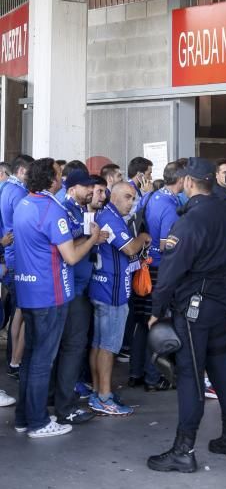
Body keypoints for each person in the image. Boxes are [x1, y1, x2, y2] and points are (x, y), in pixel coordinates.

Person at [147, 157, 226, 474]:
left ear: (188, 183)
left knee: (189, 373)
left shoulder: (190, 222)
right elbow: (224, 196)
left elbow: (171, 272)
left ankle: (183, 450)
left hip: (194, 305)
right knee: (219, 365)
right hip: (219, 299)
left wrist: (156, 310)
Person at [13, 158, 102, 438]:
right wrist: (93, 238)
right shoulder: (52, 209)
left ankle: (25, 417)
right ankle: (38, 422)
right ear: (51, 180)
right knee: (42, 361)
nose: (62, 179)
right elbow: (72, 256)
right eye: (59, 175)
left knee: (31, 359)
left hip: (28, 291)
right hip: (50, 294)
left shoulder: (24, 203)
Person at [88, 181, 152, 415]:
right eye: (127, 197)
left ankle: (98, 392)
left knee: (98, 344)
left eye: (133, 198)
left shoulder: (106, 216)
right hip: (112, 292)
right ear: (113, 197)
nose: (131, 203)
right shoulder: (111, 218)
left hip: (102, 289)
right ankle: (105, 397)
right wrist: (143, 235)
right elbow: (129, 249)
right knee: (108, 346)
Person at [51, 169, 108, 425]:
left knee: (67, 347)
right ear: (72, 188)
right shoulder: (64, 208)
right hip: (69, 288)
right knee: (72, 348)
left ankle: (57, 397)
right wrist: (92, 239)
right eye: (88, 187)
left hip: (77, 286)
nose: (92, 192)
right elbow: (70, 251)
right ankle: (66, 405)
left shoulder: (78, 208)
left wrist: (92, 238)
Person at [128, 160, 185, 392]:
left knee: (143, 323)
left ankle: (136, 372)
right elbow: (165, 244)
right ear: (181, 180)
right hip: (159, 269)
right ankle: (154, 378)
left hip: (143, 266)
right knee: (157, 321)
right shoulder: (170, 207)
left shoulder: (150, 196)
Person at [1, 154, 34, 379]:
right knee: (22, 312)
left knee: (18, 311)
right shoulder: (20, 193)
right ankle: (16, 361)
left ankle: (14, 361)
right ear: (22, 171)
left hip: (10, 255)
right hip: (19, 257)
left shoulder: (4, 189)